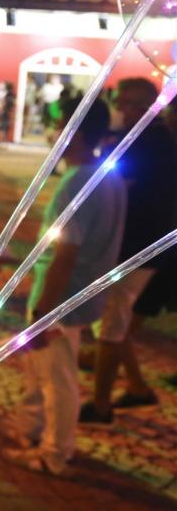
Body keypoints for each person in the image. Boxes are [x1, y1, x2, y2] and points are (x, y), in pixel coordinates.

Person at [1, 97, 126, 475]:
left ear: (77, 134)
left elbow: (65, 255)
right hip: (81, 295)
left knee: (58, 380)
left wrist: (43, 313)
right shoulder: (110, 176)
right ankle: (30, 430)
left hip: (61, 300)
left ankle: (54, 453)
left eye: (59, 127)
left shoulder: (74, 185)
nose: (54, 135)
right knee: (41, 372)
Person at [80, 78, 177, 424]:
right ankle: (138, 389)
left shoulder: (146, 143)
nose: (118, 109)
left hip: (134, 249)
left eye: (122, 103)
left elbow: (113, 189)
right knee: (116, 325)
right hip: (146, 246)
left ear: (139, 106)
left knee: (110, 327)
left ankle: (100, 406)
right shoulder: (155, 139)